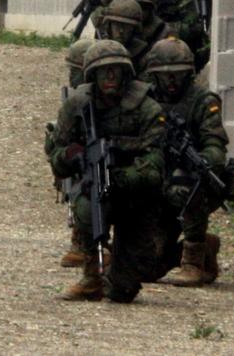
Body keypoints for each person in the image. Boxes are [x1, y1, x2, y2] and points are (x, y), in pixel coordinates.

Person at [48, 40, 168, 303]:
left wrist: (121, 177)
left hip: (136, 198)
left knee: (125, 289)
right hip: (97, 189)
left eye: (116, 70)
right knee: (87, 208)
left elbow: (156, 166)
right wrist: (72, 156)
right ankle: (92, 276)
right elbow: (55, 154)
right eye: (104, 71)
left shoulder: (146, 108)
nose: (110, 76)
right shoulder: (77, 105)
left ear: (126, 72)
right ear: (93, 75)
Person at [143, 39, 227, 286]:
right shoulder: (144, 101)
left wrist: (203, 160)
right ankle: (202, 252)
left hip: (190, 185)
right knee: (145, 269)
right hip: (156, 182)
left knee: (187, 182)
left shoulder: (203, 101)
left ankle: (193, 257)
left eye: (177, 76)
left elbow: (216, 144)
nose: (171, 82)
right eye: (165, 76)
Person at [47, 38, 96, 268]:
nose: (71, 76)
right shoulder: (74, 101)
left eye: (74, 70)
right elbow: (57, 145)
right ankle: (82, 235)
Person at [122, 0, 172, 72]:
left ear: (151, 9)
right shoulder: (118, 27)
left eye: (144, 7)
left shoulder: (163, 31)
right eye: (133, 6)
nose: (139, 11)